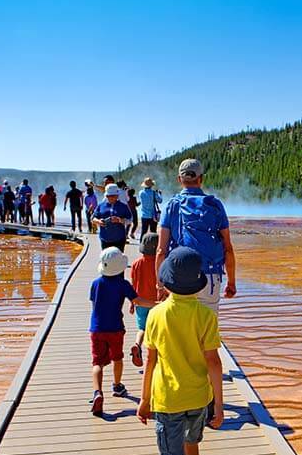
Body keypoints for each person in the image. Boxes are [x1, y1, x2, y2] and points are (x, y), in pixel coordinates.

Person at [137, 246, 225, 455]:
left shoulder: (156, 315)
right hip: (198, 398)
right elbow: (213, 361)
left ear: (166, 282)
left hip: (167, 398)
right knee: (192, 446)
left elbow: (150, 361)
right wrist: (219, 406)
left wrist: (144, 399)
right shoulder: (205, 316)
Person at [156, 159, 236, 312]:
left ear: (179, 179)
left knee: (180, 330)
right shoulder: (215, 205)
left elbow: (161, 250)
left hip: (178, 276)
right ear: (201, 178)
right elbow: (228, 249)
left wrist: (160, 285)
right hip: (210, 275)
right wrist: (231, 282)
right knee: (208, 330)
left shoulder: (171, 205)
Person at [89, 247, 155, 416]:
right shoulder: (123, 284)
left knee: (97, 363)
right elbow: (138, 300)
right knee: (117, 358)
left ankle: (97, 392)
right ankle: (117, 386)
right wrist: (156, 304)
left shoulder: (96, 283)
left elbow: (93, 303)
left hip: (96, 328)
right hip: (116, 328)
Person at [129, 233, 159, 368]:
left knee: (142, 328)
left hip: (140, 301)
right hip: (157, 303)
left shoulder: (136, 264)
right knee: (157, 329)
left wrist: (131, 302)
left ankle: (137, 345)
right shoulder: (160, 264)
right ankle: (155, 356)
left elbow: (133, 284)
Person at [92, 183, 132, 251]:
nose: (110, 197)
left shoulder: (123, 206)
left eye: (112, 196)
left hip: (119, 239)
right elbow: (93, 218)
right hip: (105, 239)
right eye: (108, 196)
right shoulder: (101, 205)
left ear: (117, 196)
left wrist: (120, 220)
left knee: (118, 260)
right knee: (106, 260)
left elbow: (130, 219)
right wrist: (99, 222)